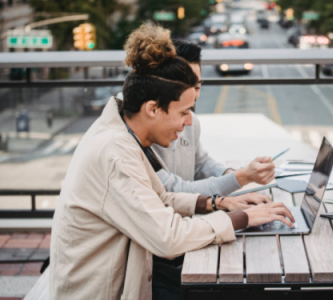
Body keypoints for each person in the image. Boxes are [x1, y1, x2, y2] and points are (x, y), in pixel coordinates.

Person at [49, 24, 295, 300]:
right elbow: (168, 238)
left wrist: (217, 203)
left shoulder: (123, 133)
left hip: (130, 271)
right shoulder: (115, 152)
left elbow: (158, 198)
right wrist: (242, 218)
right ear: (152, 108)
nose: (190, 121)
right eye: (185, 111)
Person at [151, 40, 275, 197]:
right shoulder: (141, 128)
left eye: (197, 87)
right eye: (185, 86)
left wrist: (228, 174)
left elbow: (200, 164)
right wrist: (242, 177)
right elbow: (170, 191)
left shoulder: (191, 122)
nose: (193, 95)